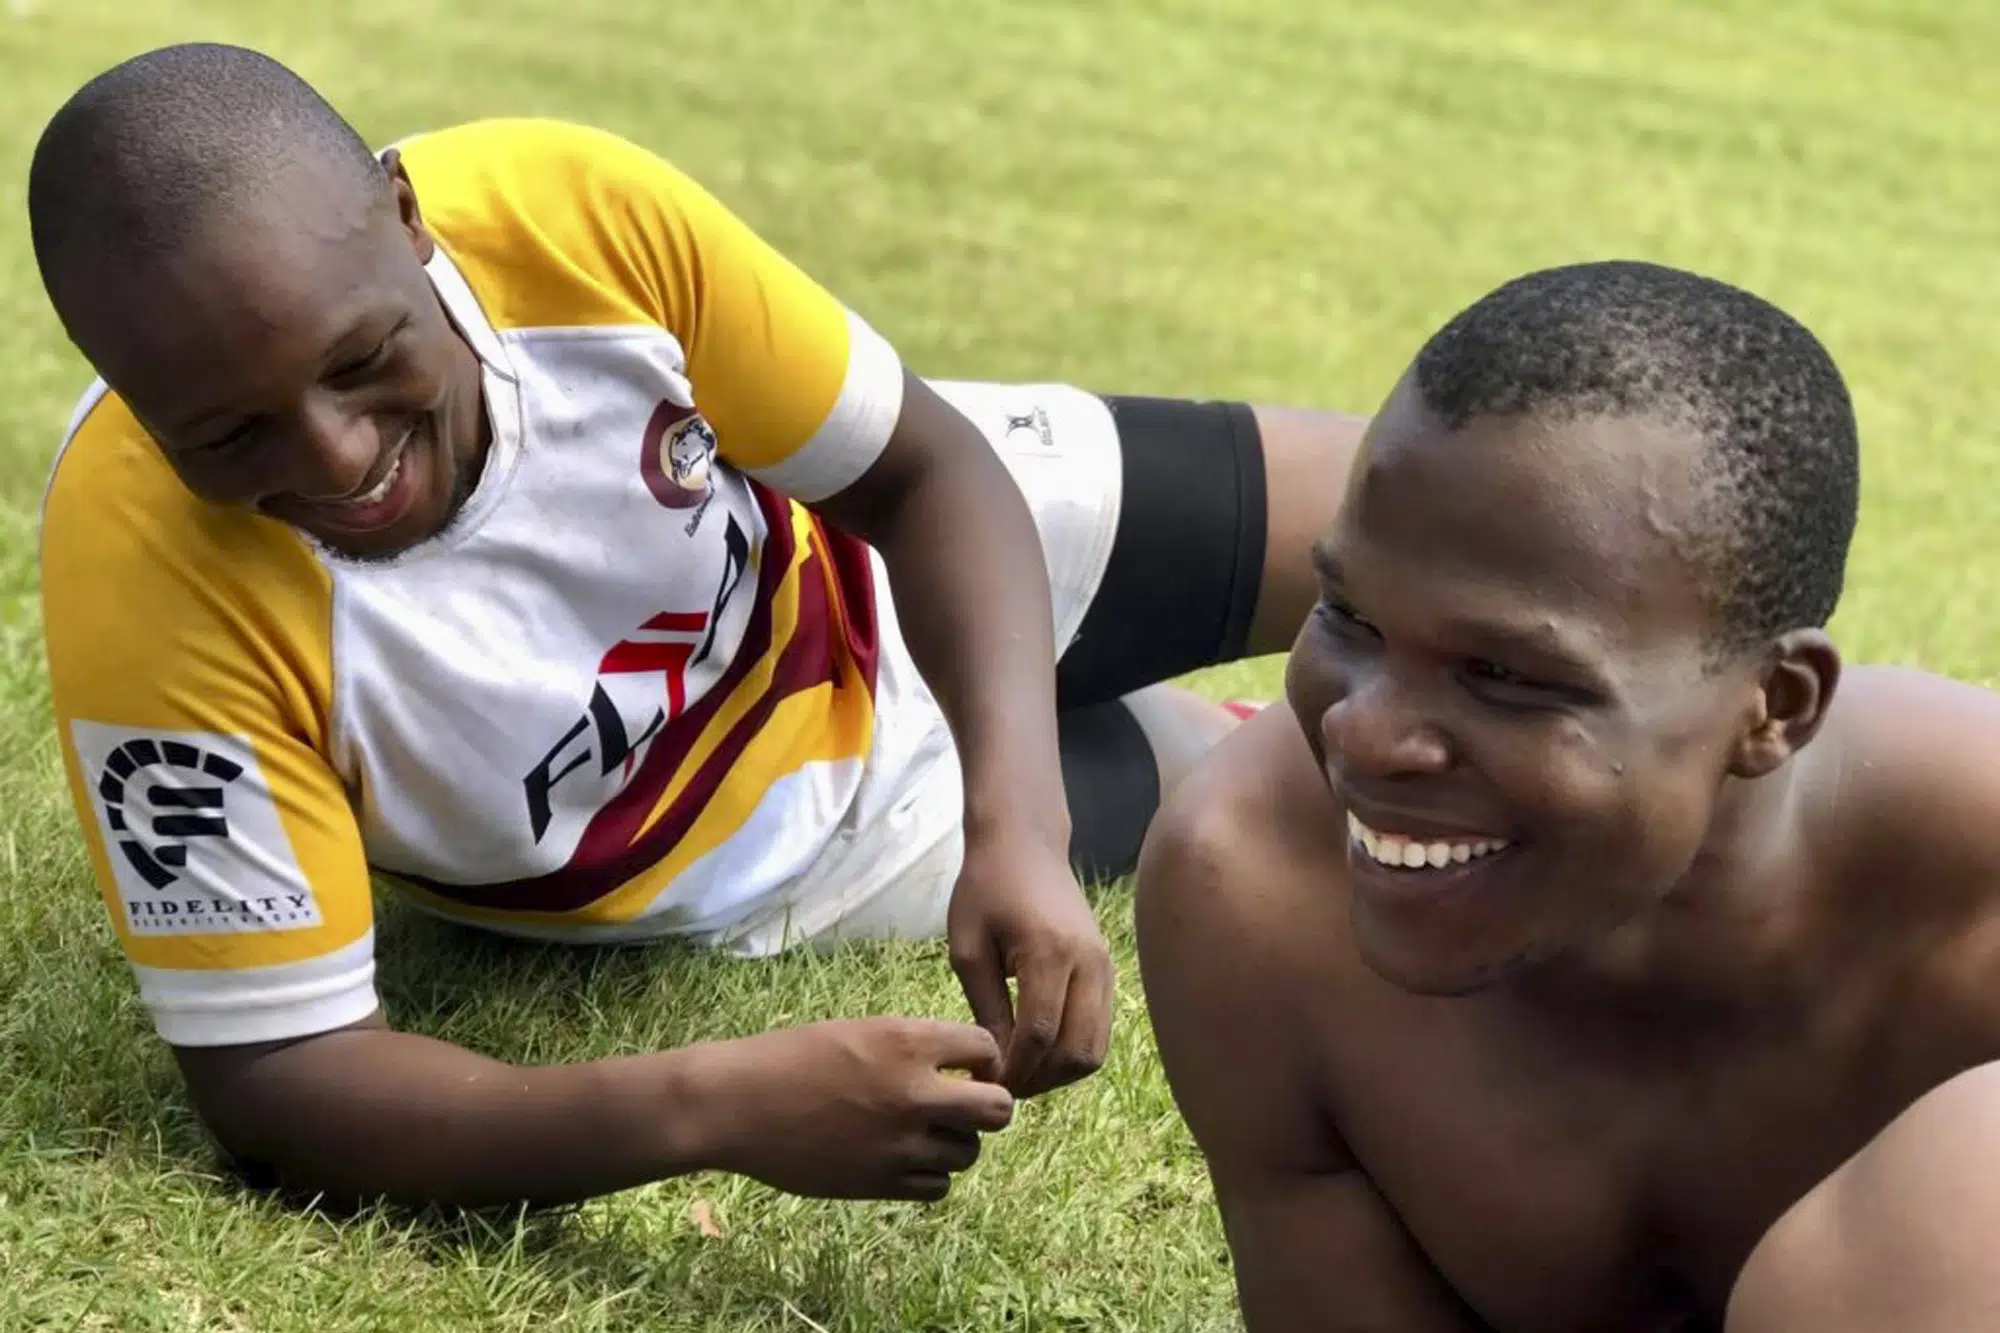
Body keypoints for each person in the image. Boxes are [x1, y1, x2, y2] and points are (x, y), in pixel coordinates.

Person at [29, 42, 1364, 1212]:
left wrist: (1020, 830)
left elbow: (921, 475)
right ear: (137, 404)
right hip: (791, 846)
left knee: (1420, 538)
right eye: (227, 432)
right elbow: (283, 1080)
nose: (333, 458)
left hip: (867, 556)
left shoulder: (567, 216)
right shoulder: (143, 570)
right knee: (1269, 808)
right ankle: (1203, 744)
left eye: (360, 358)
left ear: (406, 216)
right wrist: (712, 1108)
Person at [1135, 258, 2000, 1331]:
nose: (1362, 731)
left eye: (1502, 675)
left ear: (1772, 704)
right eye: (1349, 618)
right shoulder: (1253, 885)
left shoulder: (1973, 921)